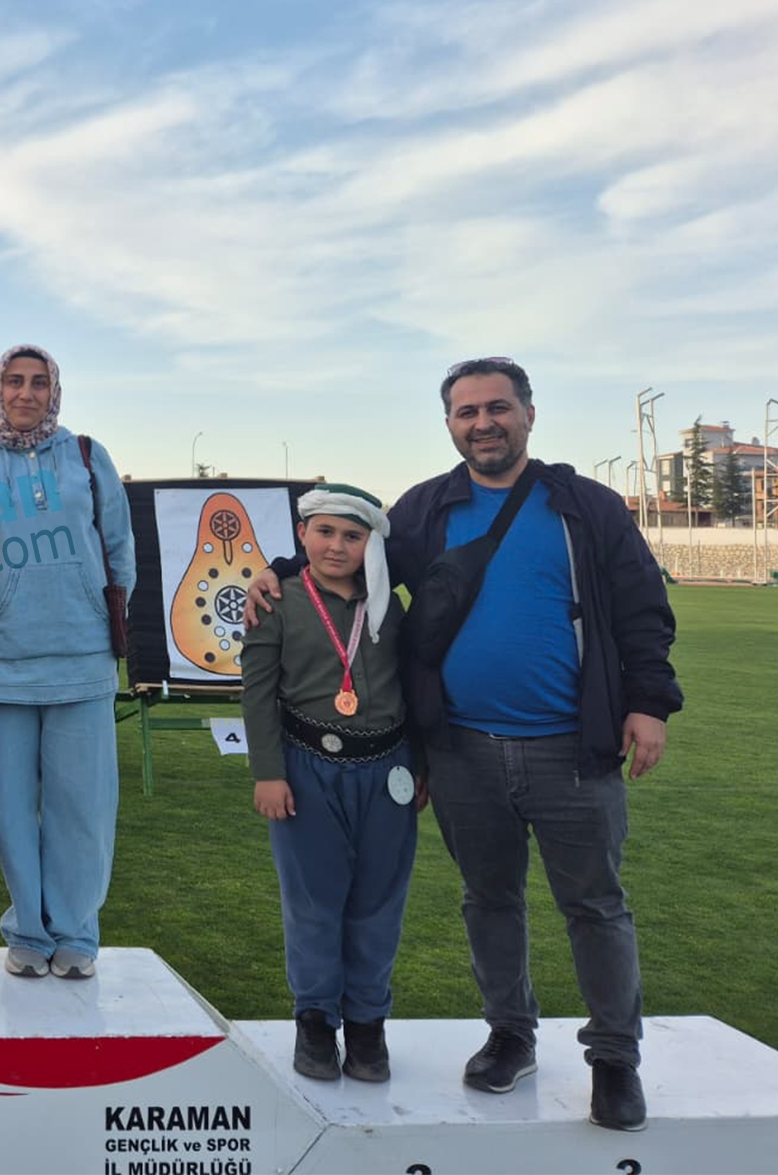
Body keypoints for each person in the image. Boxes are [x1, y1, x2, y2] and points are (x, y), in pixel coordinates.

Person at [248, 358, 681, 1131]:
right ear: (449, 423)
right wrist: (276, 573)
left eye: (496, 408)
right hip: (462, 749)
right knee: (489, 901)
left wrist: (648, 703)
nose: (482, 423)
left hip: (571, 748)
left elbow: (641, 606)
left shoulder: (583, 505)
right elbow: (349, 556)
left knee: (594, 906)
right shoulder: (428, 508)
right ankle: (510, 1036)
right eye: (466, 412)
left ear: (528, 414)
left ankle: (614, 1059)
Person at [0, 345, 136, 981]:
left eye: (39, 382)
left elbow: (119, 547)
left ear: (54, 391)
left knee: (82, 809)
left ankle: (77, 933)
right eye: (14, 381)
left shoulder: (87, 455)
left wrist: (97, 609)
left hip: (83, 658)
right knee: (12, 812)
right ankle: (28, 932)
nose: (26, 393)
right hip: (2, 662)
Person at [240, 484, 420, 1083]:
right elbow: (258, 693)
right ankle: (315, 1021)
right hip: (306, 768)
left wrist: (420, 764)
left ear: (371, 543)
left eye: (352, 536)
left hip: (388, 771)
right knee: (314, 902)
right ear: (302, 535)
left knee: (378, 903)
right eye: (324, 532)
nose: (336, 546)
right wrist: (268, 772)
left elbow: (414, 688)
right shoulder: (277, 601)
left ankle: (367, 1024)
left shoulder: (389, 604)